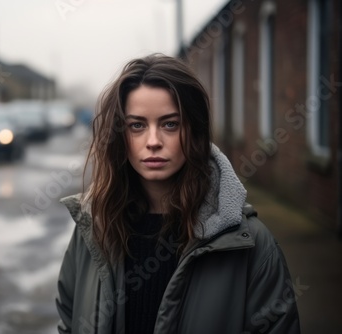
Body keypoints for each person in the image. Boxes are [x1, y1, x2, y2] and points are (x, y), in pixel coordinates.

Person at [56, 54, 300, 334]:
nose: (153, 142)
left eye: (170, 124)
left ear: (195, 132)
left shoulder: (249, 243)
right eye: (137, 125)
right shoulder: (94, 228)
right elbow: (69, 320)